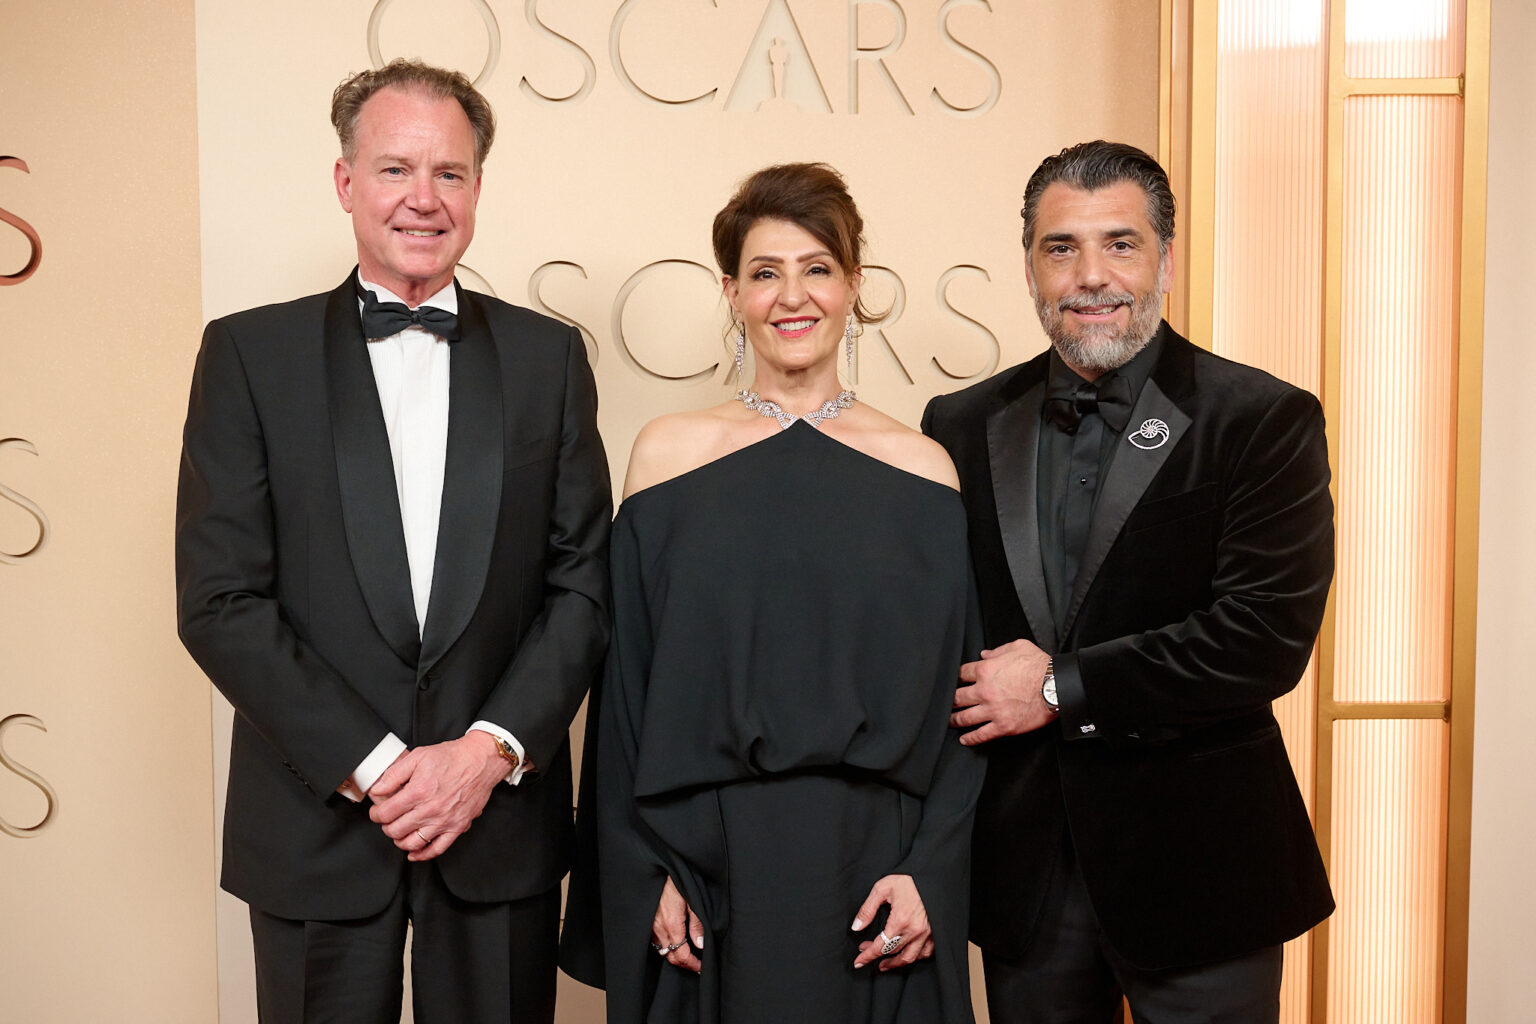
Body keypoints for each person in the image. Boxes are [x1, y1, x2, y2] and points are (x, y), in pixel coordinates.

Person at [175, 59, 611, 1023]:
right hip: (313, 829)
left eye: (449, 173)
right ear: (344, 182)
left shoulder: (550, 360)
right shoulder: (248, 355)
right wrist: (377, 765)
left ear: (478, 188)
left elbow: (582, 588)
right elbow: (219, 600)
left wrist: (486, 754)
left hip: (495, 825)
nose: (424, 199)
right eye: (394, 170)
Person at [560, 162, 984, 1024]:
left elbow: (963, 706)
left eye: (817, 268)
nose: (793, 296)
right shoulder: (664, 457)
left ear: (855, 286)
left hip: (879, 873)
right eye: (765, 272)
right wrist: (643, 875)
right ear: (732, 293)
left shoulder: (924, 470)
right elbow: (624, 701)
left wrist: (931, 872)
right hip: (704, 873)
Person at [922, 140, 1335, 1023]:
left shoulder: (1263, 418)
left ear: (1166, 259)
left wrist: (1053, 685)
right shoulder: (958, 423)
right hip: (1024, 878)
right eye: (1060, 247)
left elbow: (1262, 640)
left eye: (1121, 243)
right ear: (1029, 264)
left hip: (1205, 873)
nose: (1090, 276)